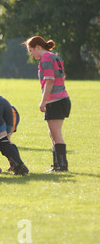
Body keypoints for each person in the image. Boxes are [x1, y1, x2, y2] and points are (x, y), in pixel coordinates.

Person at [24, 36, 71, 172]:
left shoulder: (45, 59)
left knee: (56, 134)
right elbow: (62, 76)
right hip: (62, 98)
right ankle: (57, 164)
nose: (31, 54)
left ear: (38, 47)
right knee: (53, 133)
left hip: (55, 100)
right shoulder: (55, 56)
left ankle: (61, 165)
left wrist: (43, 101)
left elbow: (50, 80)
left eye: (31, 50)